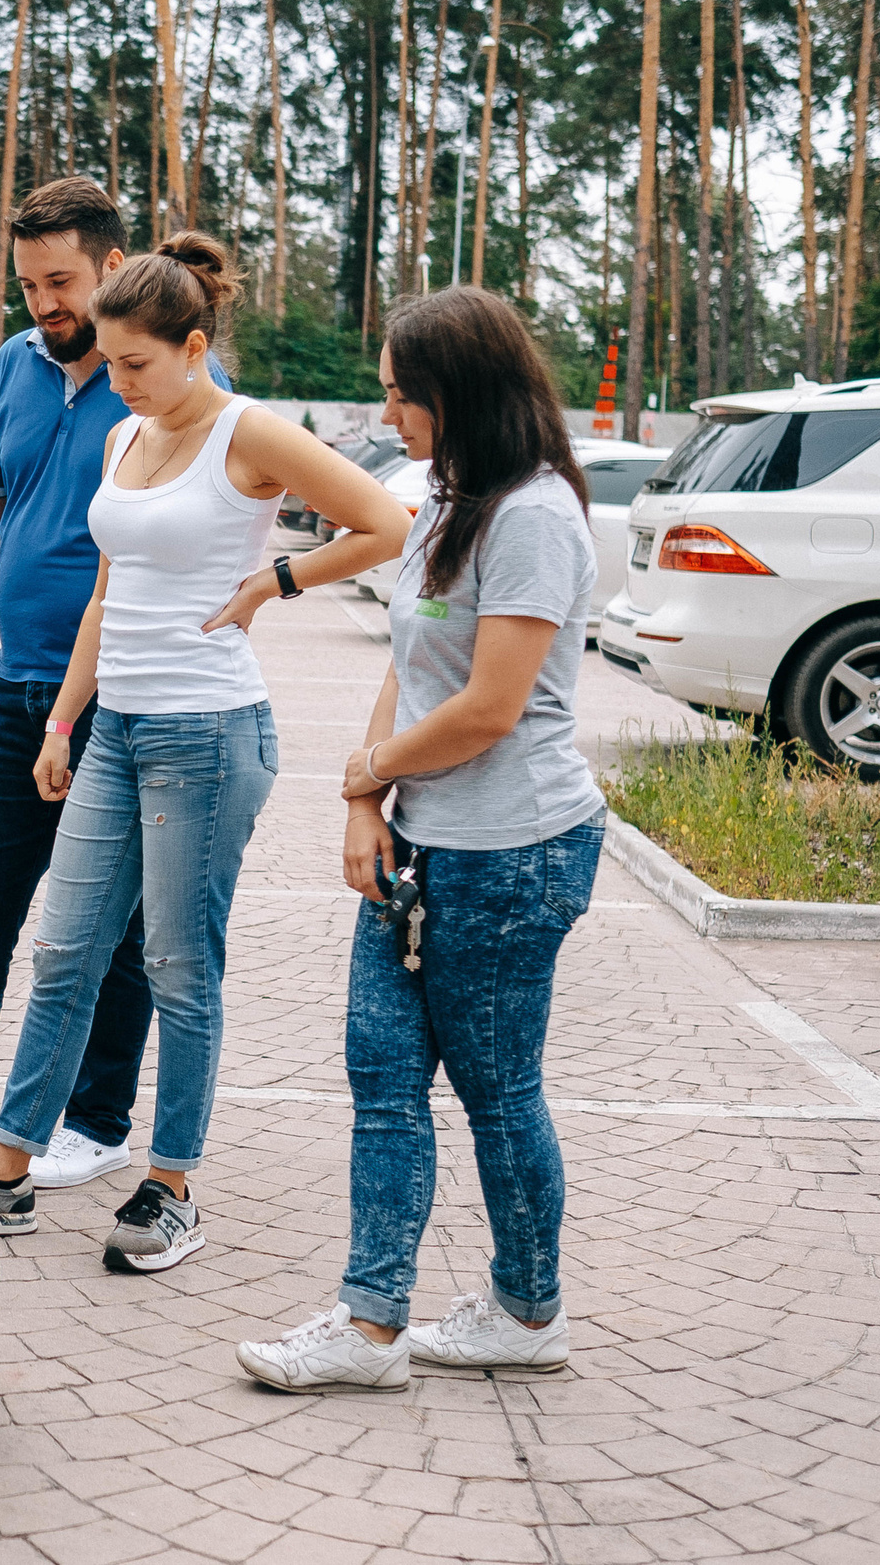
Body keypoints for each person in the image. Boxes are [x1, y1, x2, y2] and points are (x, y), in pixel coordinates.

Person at [0, 235, 409, 1274]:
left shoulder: (245, 431)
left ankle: (170, 1186)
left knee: (177, 963)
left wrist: (277, 582)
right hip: (115, 727)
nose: (118, 381)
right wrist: (62, 721)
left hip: (207, 734)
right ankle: (5, 1168)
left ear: (194, 347)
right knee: (64, 949)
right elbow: (107, 592)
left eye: (136, 363)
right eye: (111, 362)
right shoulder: (128, 435)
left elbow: (385, 522)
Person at [233, 286, 609, 1394]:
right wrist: (367, 803)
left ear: (464, 393)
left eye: (403, 396)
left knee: (497, 1092)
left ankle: (527, 1310)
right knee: (383, 1078)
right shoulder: (447, 497)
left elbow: (491, 708)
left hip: (514, 853)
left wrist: (371, 773)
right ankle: (370, 1327)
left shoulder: (534, 515)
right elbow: (409, 668)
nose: (387, 415)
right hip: (422, 842)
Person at [0, 176, 225, 1192]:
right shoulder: (15, 364)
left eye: (61, 282)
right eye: (29, 285)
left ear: (113, 268)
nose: (44, 303)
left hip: (124, 699)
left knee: (113, 928)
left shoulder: (167, 384)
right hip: (15, 691)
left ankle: (95, 1118)